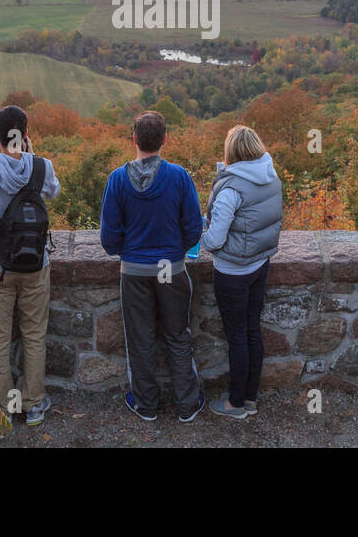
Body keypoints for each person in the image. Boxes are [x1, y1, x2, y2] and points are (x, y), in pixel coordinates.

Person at [99, 111, 205, 423]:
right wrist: (175, 252)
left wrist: (130, 253)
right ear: (164, 140)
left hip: (134, 271)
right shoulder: (179, 177)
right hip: (170, 268)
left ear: (134, 139)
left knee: (140, 339)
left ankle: (146, 404)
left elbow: (109, 238)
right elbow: (194, 227)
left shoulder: (118, 181)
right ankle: (187, 403)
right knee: (177, 334)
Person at [0, 106, 61, 428]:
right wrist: (33, 158)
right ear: (26, 135)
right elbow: (54, 192)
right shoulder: (42, 167)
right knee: (34, 335)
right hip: (36, 266)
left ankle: (4, 408)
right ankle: (32, 407)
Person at [200, 125, 283, 419]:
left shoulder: (231, 188)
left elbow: (215, 240)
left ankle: (235, 404)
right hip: (260, 264)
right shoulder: (270, 176)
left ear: (231, 152)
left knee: (236, 336)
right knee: (251, 330)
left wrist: (199, 236)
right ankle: (250, 398)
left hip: (232, 271)